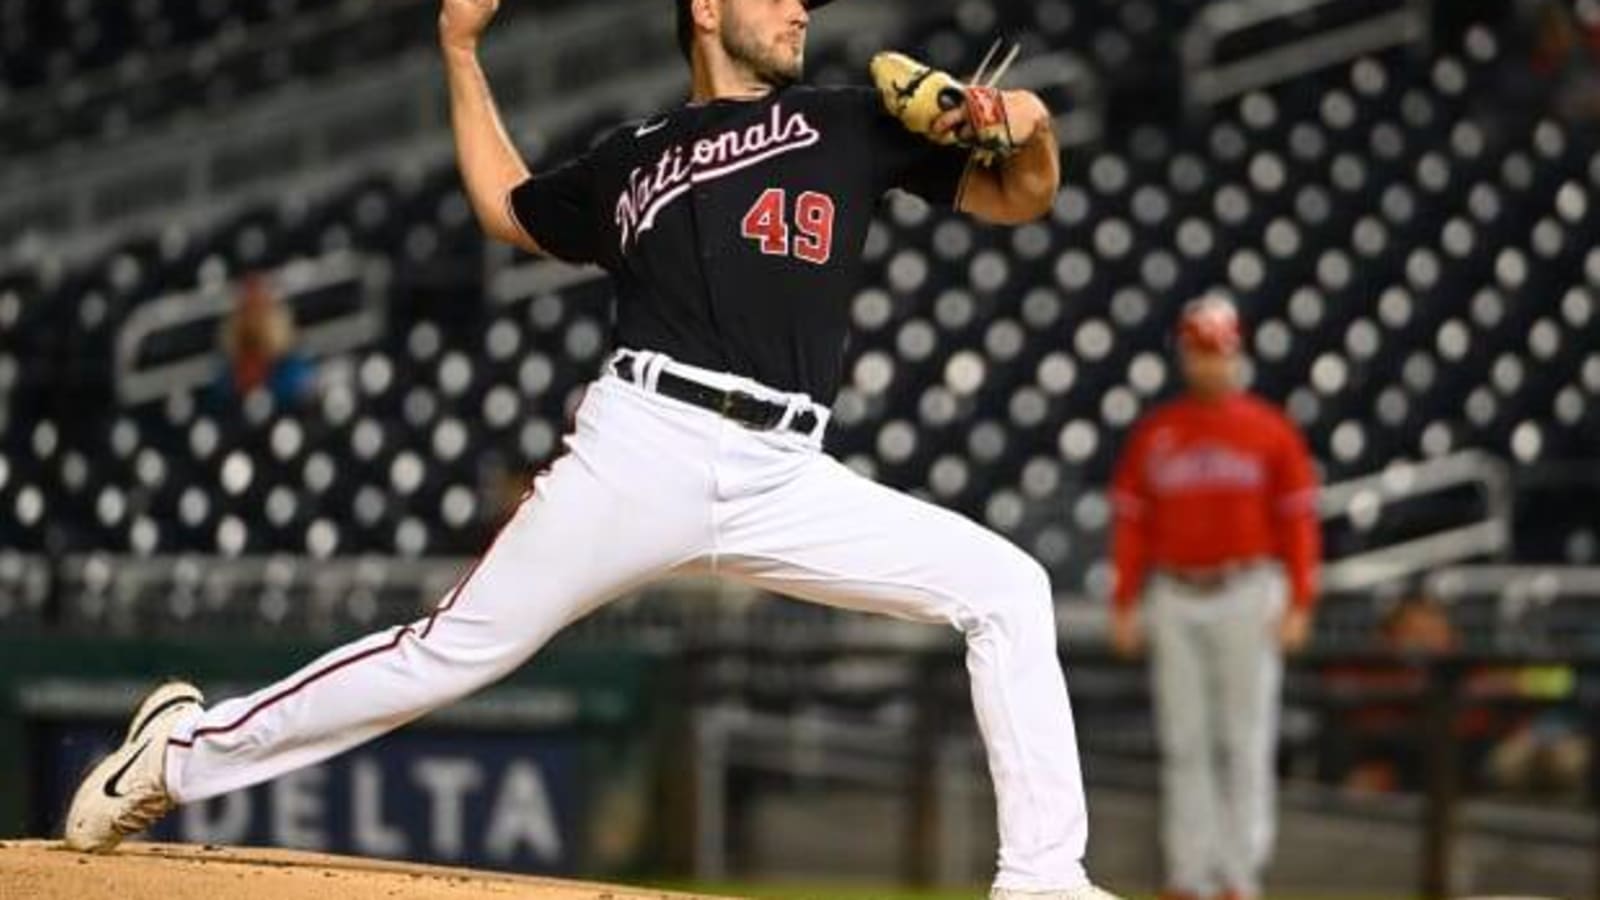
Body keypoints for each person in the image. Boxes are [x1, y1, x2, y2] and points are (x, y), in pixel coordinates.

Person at [64, 2, 1119, 898]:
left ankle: (1042, 879)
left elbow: (1022, 192)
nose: (802, 7)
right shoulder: (634, 157)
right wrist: (460, 52)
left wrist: (1006, 118)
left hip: (787, 472)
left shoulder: (848, 122)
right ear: (705, 8)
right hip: (645, 446)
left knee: (1008, 587)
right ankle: (183, 751)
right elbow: (505, 208)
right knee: (452, 651)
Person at [1107, 294, 1321, 900]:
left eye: (1218, 352)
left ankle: (1238, 875)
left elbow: (1298, 521)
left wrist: (1301, 599)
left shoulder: (1268, 429)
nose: (1208, 365)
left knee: (1244, 741)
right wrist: (1125, 600)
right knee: (1184, 743)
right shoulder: (1158, 433)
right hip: (1173, 592)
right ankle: (1189, 876)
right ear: (1185, 356)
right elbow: (1131, 523)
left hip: (1247, 589)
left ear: (1236, 354)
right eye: (1199, 353)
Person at [211, 272, 317, 407]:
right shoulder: (230, 362)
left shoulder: (289, 365)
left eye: (258, 305)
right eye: (248, 308)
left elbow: (304, 385)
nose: (253, 316)